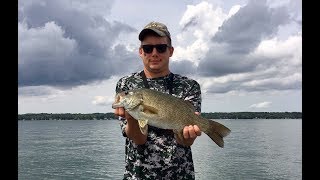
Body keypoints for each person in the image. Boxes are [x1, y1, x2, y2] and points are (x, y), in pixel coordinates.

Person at [114, 21, 202, 180]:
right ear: (141, 52)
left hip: (180, 175)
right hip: (138, 175)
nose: (154, 53)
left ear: (171, 51)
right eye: (148, 48)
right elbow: (139, 139)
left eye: (161, 48)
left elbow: (185, 142)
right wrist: (131, 117)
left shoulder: (189, 86)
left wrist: (189, 137)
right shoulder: (126, 85)